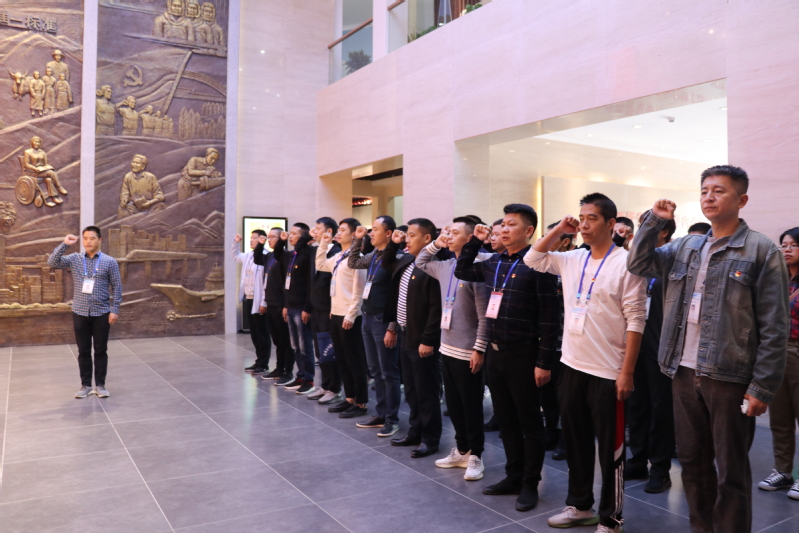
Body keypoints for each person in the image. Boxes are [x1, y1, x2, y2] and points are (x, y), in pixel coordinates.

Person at [627, 165, 789, 533]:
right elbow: (638, 263)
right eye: (704, 191)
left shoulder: (761, 250)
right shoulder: (687, 245)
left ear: (741, 199)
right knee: (692, 462)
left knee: (731, 470)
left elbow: (774, 324)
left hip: (729, 374)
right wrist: (653, 222)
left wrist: (762, 387)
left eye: (719, 190)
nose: (709, 197)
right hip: (682, 371)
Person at [527, 193, 646, 532]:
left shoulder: (627, 262)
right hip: (572, 365)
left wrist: (627, 372)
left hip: (608, 371)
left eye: (592, 218)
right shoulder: (572, 257)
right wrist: (559, 230)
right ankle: (580, 506)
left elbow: (636, 320)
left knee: (611, 450)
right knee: (576, 441)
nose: (584, 224)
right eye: (581, 218)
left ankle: (611, 518)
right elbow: (533, 259)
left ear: (611, 223)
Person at [456, 204, 560, 513]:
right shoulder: (494, 262)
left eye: (511, 224)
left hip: (524, 354)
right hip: (495, 353)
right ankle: (513, 476)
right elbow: (462, 269)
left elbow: (550, 320)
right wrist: (475, 241)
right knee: (506, 421)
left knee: (529, 422)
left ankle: (530, 483)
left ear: (529, 231)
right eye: (502, 224)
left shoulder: (539, 266)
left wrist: (544, 362)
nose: (503, 229)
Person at [416, 216, 489, 479]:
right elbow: (421, 261)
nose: (449, 236)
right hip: (447, 345)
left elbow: (484, 315)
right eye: (448, 231)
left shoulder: (478, 268)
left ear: (470, 238)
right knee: (454, 404)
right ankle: (462, 449)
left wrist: (479, 348)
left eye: (455, 233)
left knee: (471, 406)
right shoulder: (446, 265)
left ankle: (476, 455)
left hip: (468, 350)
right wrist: (437, 242)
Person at [625, 211, 677, 494]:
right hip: (635, 345)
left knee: (660, 409)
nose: (641, 232)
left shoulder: (671, 260)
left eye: (649, 226)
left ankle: (660, 469)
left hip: (661, 348)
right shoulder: (635, 262)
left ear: (664, 232)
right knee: (637, 405)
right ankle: (637, 460)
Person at [383, 219, 443, 456]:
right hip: (405, 333)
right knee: (411, 388)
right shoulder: (407, 260)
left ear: (427, 238)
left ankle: (430, 438)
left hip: (422, 338)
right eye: (406, 235)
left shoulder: (433, 266)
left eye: (412, 235)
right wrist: (393, 243)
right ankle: (415, 431)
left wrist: (428, 340)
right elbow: (387, 262)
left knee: (426, 390)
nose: (407, 239)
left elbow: (436, 308)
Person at [48, 227, 122, 399]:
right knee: (83, 351)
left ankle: (100, 385)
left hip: (102, 312)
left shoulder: (109, 261)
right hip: (80, 312)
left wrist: (115, 309)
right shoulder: (75, 259)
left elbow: (117, 286)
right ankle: (86, 385)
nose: (88, 241)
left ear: (100, 240)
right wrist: (65, 244)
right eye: (85, 238)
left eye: (92, 238)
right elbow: (52, 262)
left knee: (101, 350)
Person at [345, 216, 401, 422]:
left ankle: (391, 418)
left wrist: (393, 327)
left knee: (388, 372)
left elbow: (398, 295)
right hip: (368, 316)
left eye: (375, 229)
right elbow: (353, 262)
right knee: (375, 371)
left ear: (388, 233)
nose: (371, 233)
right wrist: (357, 240)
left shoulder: (396, 258)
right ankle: (381, 413)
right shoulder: (374, 255)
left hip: (383, 319)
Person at [758, 226, 799, 499]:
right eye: (783, 245)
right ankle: (783, 471)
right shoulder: (776, 278)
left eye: (793, 245)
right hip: (774, 351)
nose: (786, 249)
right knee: (780, 417)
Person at [316, 218, 370, 411]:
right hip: (337, 313)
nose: (338, 233)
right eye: (338, 230)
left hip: (350, 315)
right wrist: (323, 244)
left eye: (342, 230)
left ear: (354, 235)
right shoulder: (339, 256)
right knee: (342, 359)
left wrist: (351, 314)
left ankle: (361, 402)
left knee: (354, 359)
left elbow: (358, 290)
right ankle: (350, 398)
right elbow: (320, 264)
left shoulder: (358, 258)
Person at [541, 221, 576, 461]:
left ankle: (566, 438)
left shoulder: (572, 266)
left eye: (551, 237)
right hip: (546, 341)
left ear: (564, 242)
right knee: (547, 393)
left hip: (568, 341)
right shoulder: (543, 266)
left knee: (566, 396)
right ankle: (551, 431)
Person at [276, 223, 317, 394]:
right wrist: (286, 305)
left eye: (294, 233)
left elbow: (310, 284)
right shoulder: (291, 255)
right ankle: (300, 376)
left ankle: (309, 379)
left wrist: (307, 308)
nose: (290, 236)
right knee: (295, 345)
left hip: (302, 308)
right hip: (291, 306)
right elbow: (278, 255)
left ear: (303, 237)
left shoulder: (309, 254)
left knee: (304, 345)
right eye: (290, 233)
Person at [307, 217, 343, 402]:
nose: (314, 231)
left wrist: (331, 306)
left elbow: (335, 284)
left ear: (329, 232)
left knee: (329, 350)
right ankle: (324, 385)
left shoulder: (335, 253)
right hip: (317, 308)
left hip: (328, 309)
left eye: (318, 228)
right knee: (320, 351)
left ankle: (334, 388)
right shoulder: (318, 251)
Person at [253, 228, 294, 383]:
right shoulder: (270, 256)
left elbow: (288, 283)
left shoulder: (286, 256)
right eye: (268, 237)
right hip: (271, 302)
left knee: (285, 340)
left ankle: (287, 371)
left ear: (281, 238)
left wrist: (286, 304)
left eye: (272, 237)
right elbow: (258, 259)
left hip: (281, 303)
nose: (269, 239)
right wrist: (260, 244)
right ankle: (279, 368)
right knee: (277, 339)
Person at [232, 230, 270, 375]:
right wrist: (236, 243)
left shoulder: (266, 256)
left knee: (262, 333)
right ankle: (259, 360)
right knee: (254, 333)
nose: (251, 240)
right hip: (249, 298)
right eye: (251, 238)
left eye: (254, 238)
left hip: (259, 299)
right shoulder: (248, 255)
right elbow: (235, 256)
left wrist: (264, 301)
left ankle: (263, 363)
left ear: (261, 240)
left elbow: (266, 281)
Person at [23, 136, 67, 207]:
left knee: (49, 180)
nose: (37, 143)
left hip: (42, 171)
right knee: (51, 173)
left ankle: (53, 197)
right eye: (35, 141)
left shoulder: (43, 152)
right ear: (32, 142)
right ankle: (59, 187)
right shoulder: (27, 152)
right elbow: (26, 164)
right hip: (32, 172)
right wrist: (35, 168)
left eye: (38, 142)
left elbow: (45, 164)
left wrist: (48, 167)